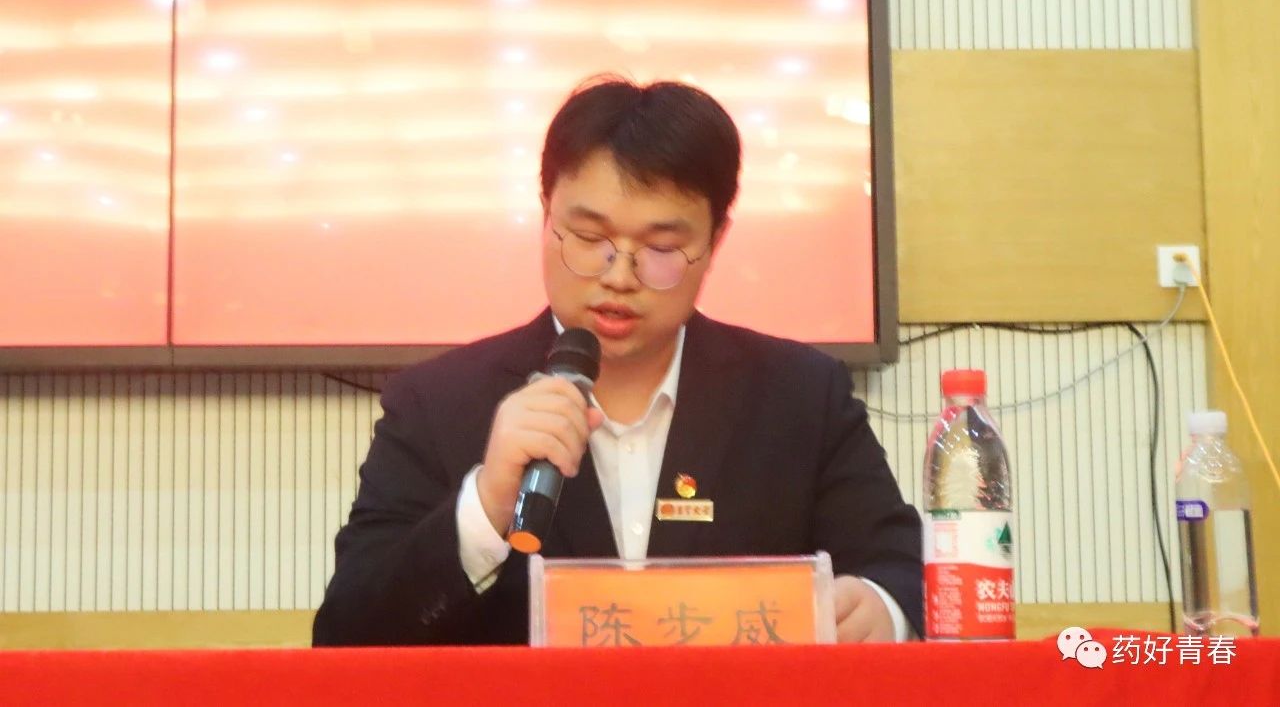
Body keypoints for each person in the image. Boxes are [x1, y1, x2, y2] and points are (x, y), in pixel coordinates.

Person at [312, 76, 922, 646]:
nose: (620, 276)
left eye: (661, 247)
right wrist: (485, 506)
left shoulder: (800, 397)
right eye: (589, 238)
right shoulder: (437, 404)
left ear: (715, 241)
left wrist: (879, 607)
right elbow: (346, 634)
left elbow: (903, 570)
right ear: (546, 214)